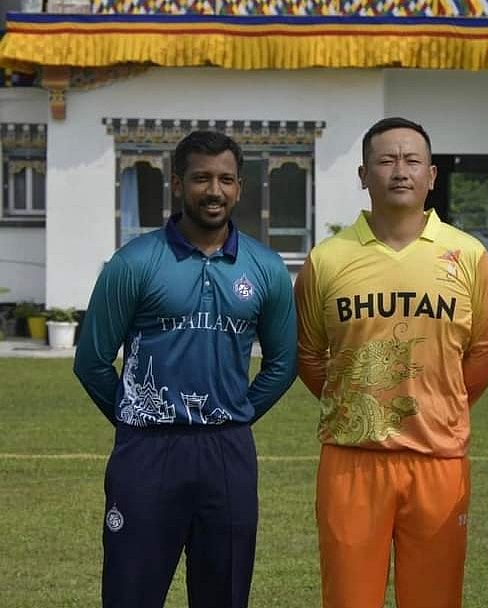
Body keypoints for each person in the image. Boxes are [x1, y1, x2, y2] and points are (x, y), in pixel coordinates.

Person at [73, 130, 298, 608]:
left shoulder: (265, 267)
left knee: (224, 592)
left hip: (227, 451)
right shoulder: (134, 262)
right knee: (130, 592)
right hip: (147, 452)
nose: (213, 191)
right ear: (178, 184)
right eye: (200, 178)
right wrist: (136, 416)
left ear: (239, 187)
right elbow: (92, 361)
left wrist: (237, 414)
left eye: (225, 179)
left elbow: (283, 362)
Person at [294, 116, 488, 608]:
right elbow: (307, 354)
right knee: (348, 598)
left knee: (434, 598)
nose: (399, 171)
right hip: (352, 460)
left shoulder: (468, 255)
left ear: (432, 175)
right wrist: (357, 400)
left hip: (438, 461)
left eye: (412, 161)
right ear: (363, 174)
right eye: (386, 160)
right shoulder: (327, 259)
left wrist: (439, 401)